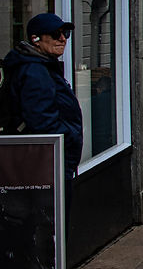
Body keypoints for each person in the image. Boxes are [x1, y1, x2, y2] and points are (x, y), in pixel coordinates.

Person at [3, 13, 83, 213]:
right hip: (46, 164)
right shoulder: (34, 71)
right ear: (35, 39)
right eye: (56, 34)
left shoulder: (42, 66)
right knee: (50, 225)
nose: (63, 39)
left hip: (48, 161)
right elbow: (42, 122)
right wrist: (69, 137)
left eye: (65, 33)